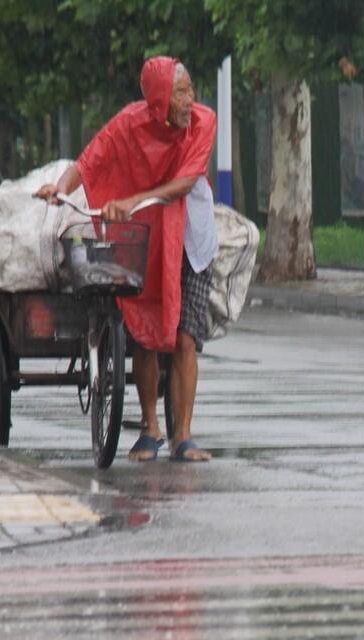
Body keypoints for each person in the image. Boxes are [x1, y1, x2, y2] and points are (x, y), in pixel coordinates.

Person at [35, 57, 217, 462]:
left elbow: (186, 181)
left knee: (185, 338)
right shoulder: (129, 124)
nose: (190, 100)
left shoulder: (204, 122)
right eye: (181, 93)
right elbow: (89, 161)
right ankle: (150, 429)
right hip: (146, 236)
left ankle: (183, 436)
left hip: (192, 239)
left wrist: (131, 200)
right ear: (158, 100)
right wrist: (59, 187)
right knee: (147, 331)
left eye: (190, 91)